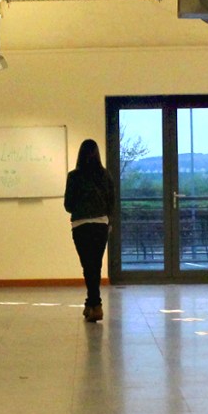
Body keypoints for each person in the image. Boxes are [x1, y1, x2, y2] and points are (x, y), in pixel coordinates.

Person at [64, 138, 115, 322]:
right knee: (96, 265)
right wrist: (109, 222)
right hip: (101, 224)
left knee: (88, 266)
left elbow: (68, 205)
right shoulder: (105, 175)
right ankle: (91, 303)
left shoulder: (73, 176)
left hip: (81, 225)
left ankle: (96, 304)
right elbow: (112, 202)